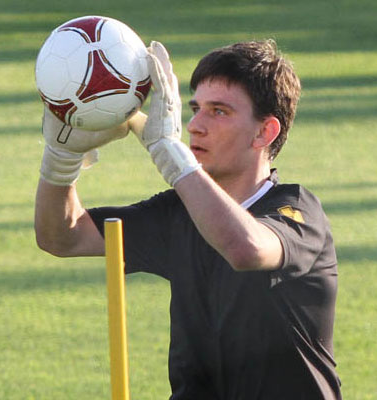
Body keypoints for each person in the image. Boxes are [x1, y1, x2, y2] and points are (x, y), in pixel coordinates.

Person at [35, 39, 342, 399]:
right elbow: (63, 237)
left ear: (265, 131)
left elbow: (244, 249)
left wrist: (173, 157)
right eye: (195, 108)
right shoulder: (179, 213)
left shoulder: (298, 211)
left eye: (219, 112)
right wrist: (61, 159)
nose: (194, 125)